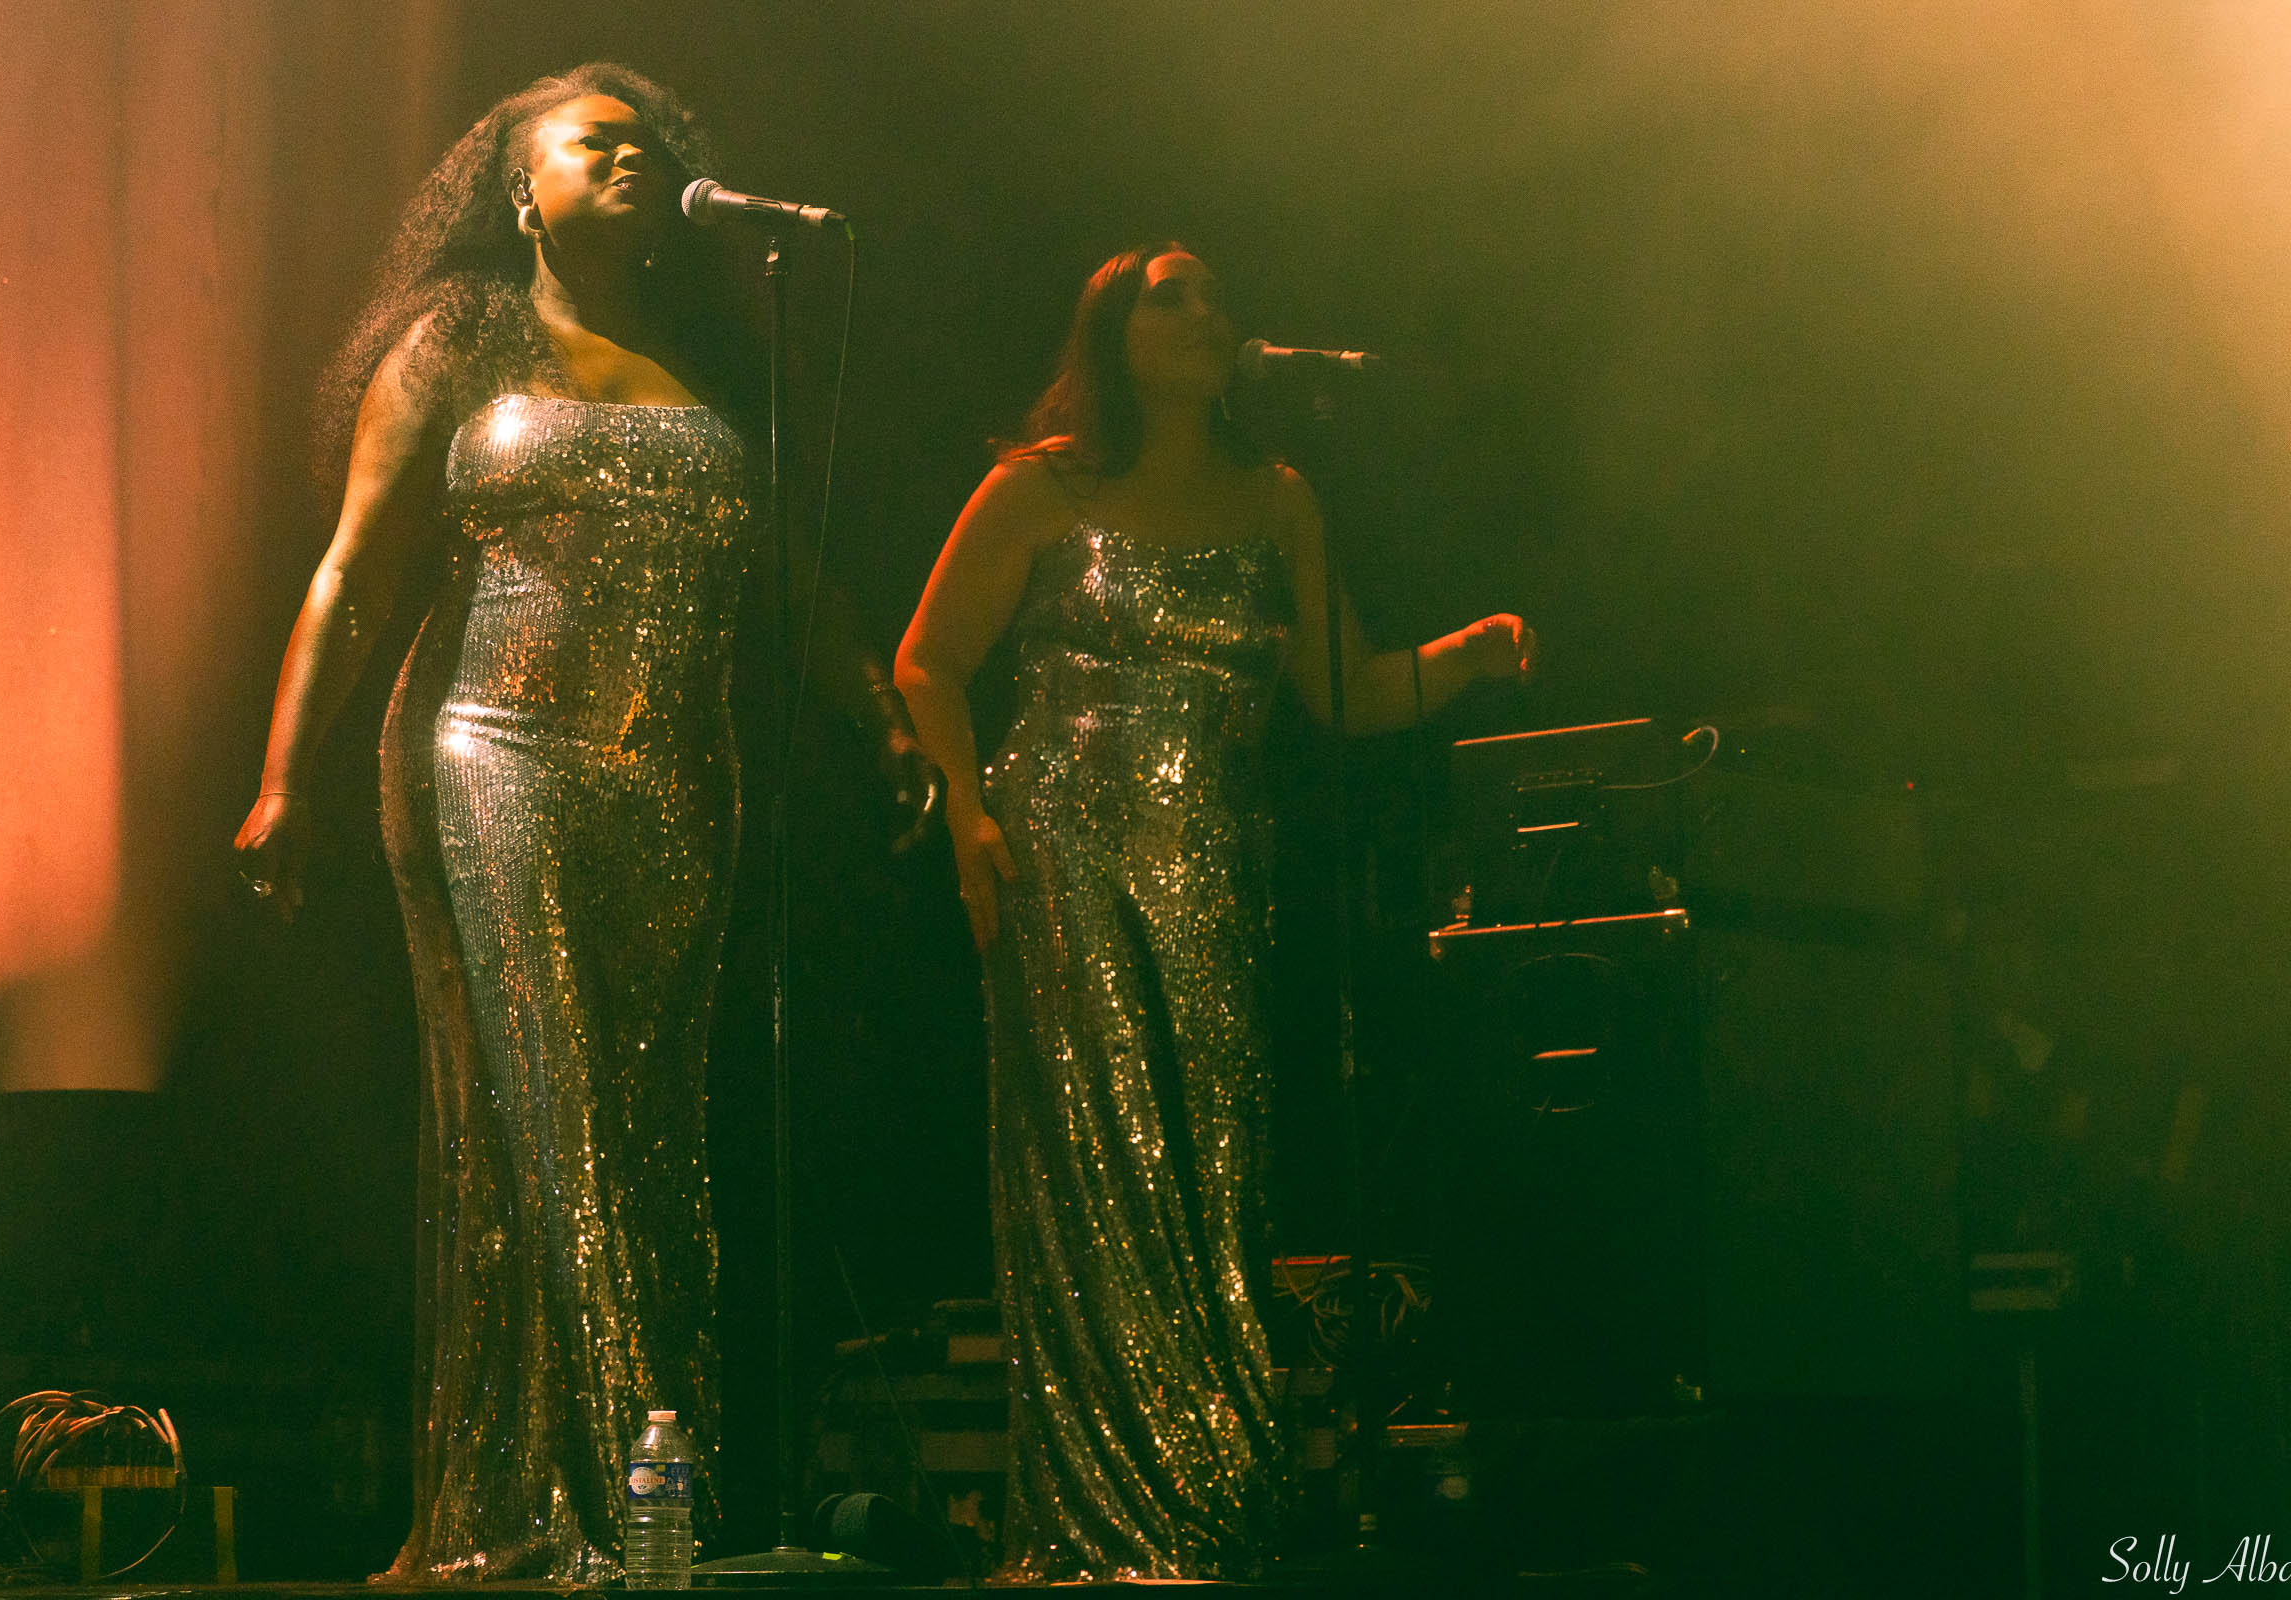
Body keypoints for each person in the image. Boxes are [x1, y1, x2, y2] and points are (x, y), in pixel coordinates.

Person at [232, 64, 914, 1581]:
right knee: (553, 1108)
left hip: (674, 775)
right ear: (519, 191)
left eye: (646, 144)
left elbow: (788, 575)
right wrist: (286, 780)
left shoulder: (711, 362)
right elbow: (355, 569)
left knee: (646, 1122)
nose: (628, 157)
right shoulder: (455, 345)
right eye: (591, 141)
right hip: (491, 753)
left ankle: (596, 1491)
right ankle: (603, 1501)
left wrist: (878, 714)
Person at [895, 243, 1534, 1582]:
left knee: (1214, 1175)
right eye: (1169, 294)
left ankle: (1206, 1493)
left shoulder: (1277, 497)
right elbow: (929, 661)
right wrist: (967, 818)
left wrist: (1464, 658)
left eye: (1211, 294)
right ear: (1111, 331)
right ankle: (1098, 1517)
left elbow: (1344, 690)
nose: (1203, 313)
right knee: (1099, 1170)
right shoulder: (1040, 486)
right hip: (1066, 857)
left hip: (1215, 869)